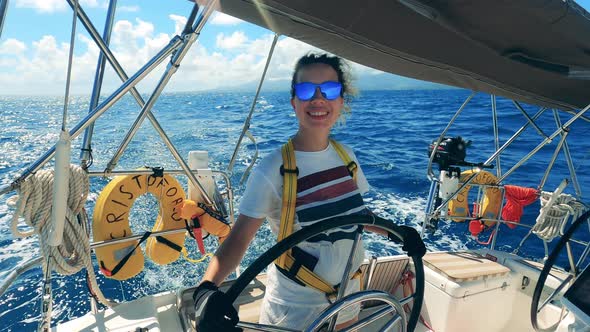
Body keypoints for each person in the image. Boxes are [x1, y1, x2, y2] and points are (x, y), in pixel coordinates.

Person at [194, 53, 386, 331]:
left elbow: (357, 214)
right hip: (294, 310)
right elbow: (238, 240)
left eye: (329, 90)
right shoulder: (273, 169)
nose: (318, 98)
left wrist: (396, 232)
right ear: (294, 102)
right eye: (307, 90)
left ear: (341, 100)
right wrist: (206, 289)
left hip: (349, 294)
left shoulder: (347, 158)